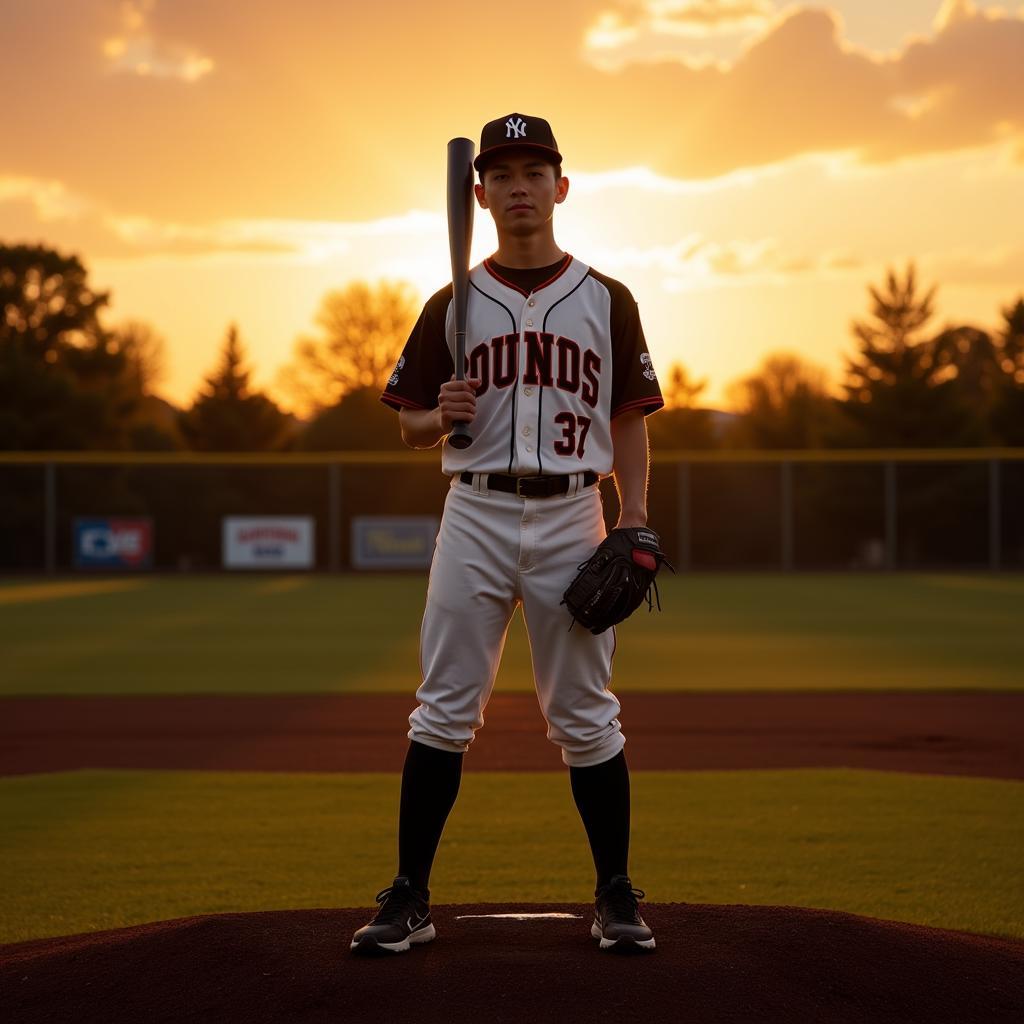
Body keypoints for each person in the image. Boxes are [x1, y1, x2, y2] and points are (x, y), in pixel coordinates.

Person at [350, 113, 664, 955]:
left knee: (586, 714)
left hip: (573, 512)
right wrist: (431, 416)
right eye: (503, 174)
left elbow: (630, 418)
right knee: (444, 704)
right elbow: (411, 426)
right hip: (476, 513)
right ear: (479, 194)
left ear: (561, 187)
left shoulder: (607, 298)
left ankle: (616, 893)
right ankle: (410, 894)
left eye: (536, 171)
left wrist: (632, 517)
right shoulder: (452, 304)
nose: (520, 186)